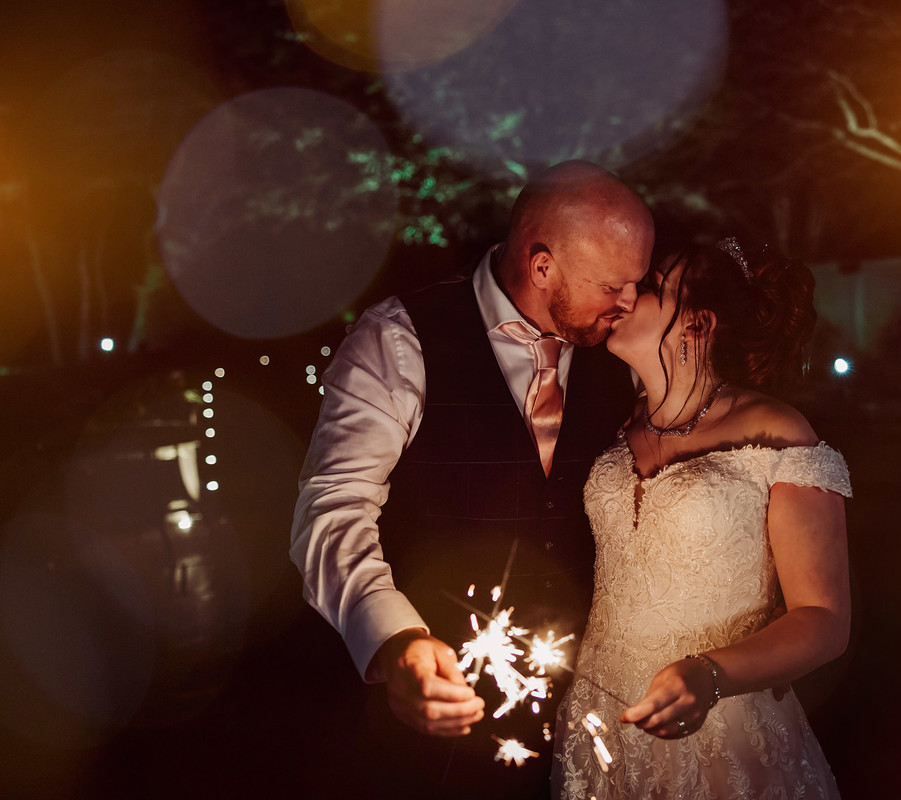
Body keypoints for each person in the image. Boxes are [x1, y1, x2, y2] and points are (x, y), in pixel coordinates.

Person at [290, 160, 655, 798]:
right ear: (543, 266)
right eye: (614, 286)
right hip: (434, 740)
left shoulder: (617, 357)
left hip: (593, 725)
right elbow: (332, 507)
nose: (630, 303)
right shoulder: (397, 341)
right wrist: (395, 639)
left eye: (638, 283)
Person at [552, 239, 852, 799]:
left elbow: (824, 617)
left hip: (724, 731)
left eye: (652, 287)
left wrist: (710, 674)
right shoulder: (612, 419)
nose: (627, 293)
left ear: (698, 323)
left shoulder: (778, 431)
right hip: (600, 717)